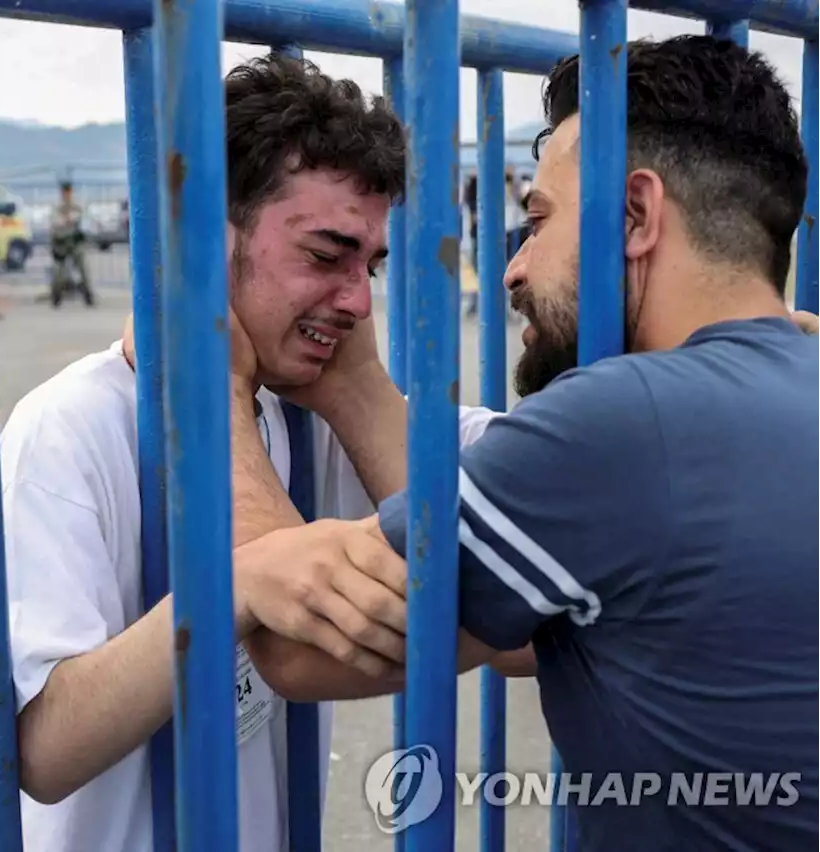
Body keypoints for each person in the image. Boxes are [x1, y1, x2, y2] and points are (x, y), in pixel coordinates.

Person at [235, 35, 820, 850]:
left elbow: (294, 645)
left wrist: (208, 382)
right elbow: (511, 617)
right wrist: (357, 388)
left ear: (636, 216)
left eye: (539, 222)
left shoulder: (625, 423)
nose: (514, 268)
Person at [0, 54, 509, 852]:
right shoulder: (72, 425)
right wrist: (228, 592)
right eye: (325, 254)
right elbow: (43, 750)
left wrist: (360, 388)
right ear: (205, 242)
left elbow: (508, 564)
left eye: (368, 264)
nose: (357, 300)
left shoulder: (305, 413)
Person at [48, 180, 94, 306]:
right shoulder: (57, 206)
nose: (67, 195)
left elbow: (82, 219)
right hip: (61, 243)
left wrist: (71, 219)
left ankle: (88, 296)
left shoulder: (76, 205)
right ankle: (56, 296)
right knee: (59, 272)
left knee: (82, 269)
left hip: (74, 241)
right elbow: (55, 223)